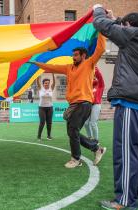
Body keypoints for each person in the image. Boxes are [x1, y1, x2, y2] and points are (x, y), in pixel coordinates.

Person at [93, 4, 138, 209]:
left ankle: (125, 200)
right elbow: (126, 27)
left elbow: (100, 23)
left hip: (129, 103)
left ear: (127, 27)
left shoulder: (131, 36)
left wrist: (98, 8)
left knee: (126, 151)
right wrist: (117, 18)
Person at [29, 32, 107, 168]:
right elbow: (51, 67)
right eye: (73, 55)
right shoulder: (68, 68)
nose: (73, 57)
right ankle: (96, 148)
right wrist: (36, 63)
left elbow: (100, 49)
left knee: (72, 130)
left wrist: (102, 30)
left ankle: (76, 159)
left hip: (84, 103)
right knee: (72, 131)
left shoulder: (89, 64)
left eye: (76, 55)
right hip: (73, 104)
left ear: (83, 56)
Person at [84, 66, 105, 141]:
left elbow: (99, 77)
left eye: (94, 76)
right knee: (86, 123)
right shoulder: (89, 86)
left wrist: (94, 66)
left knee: (93, 123)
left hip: (96, 105)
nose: (93, 77)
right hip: (88, 105)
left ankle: (96, 140)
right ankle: (89, 137)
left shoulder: (100, 85)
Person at [36, 74, 55, 141]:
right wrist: (37, 74)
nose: (47, 84)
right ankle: (39, 136)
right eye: (45, 83)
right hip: (42, 108)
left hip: (50, 108)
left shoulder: (51, 88)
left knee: (49, 122)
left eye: (48, 83)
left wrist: (53, 74)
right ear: (43, 84)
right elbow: (37, 81)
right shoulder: (40, 88)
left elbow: (54, 83)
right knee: (42, 122)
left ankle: (49, 136)